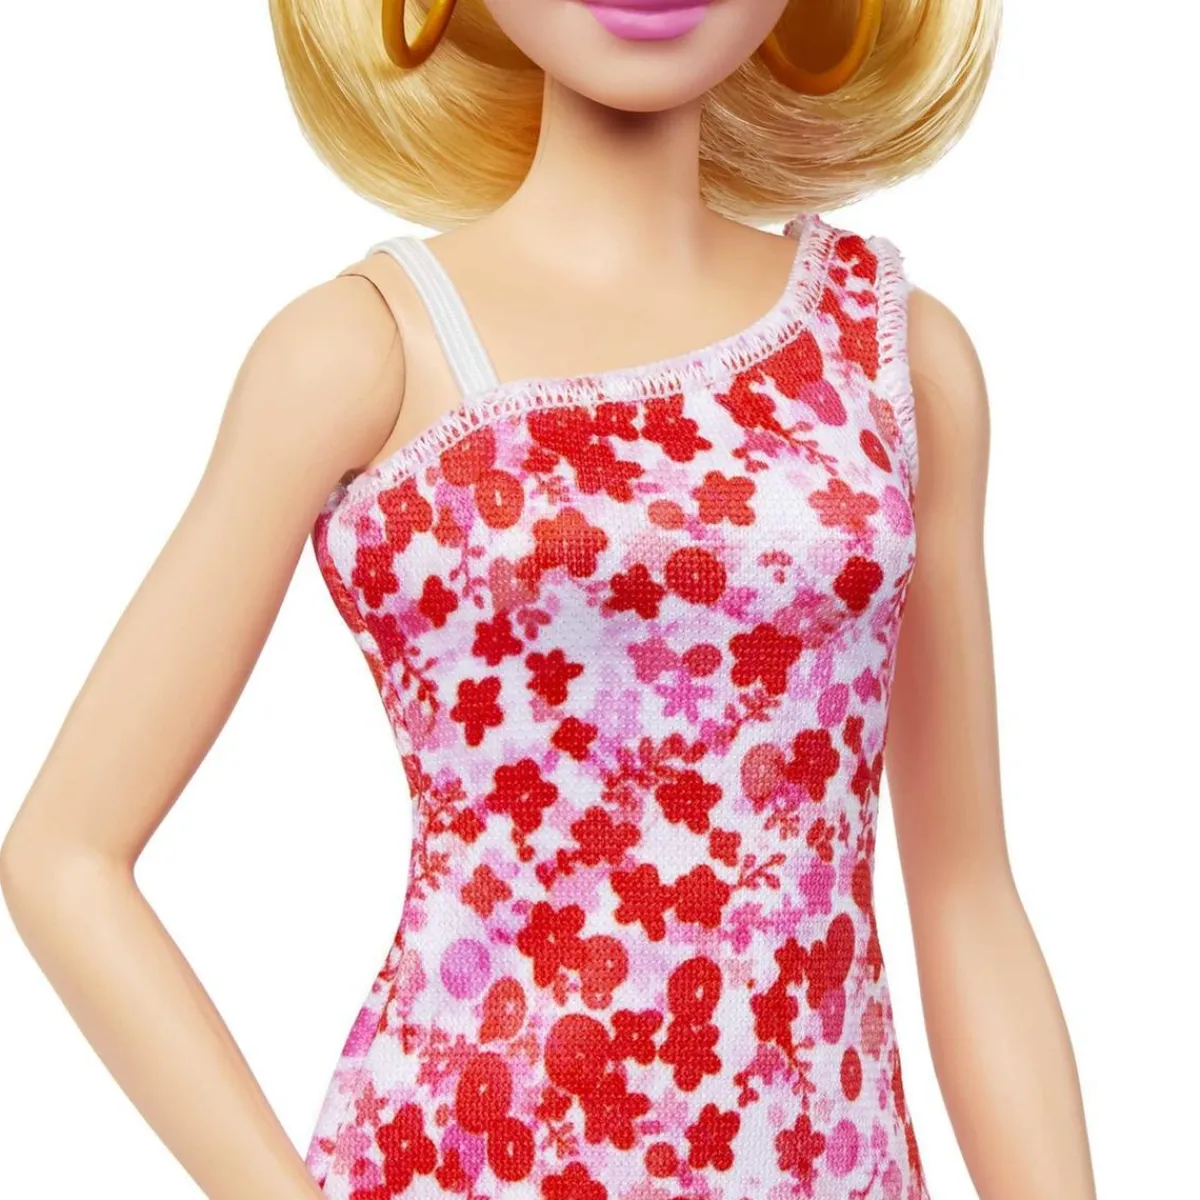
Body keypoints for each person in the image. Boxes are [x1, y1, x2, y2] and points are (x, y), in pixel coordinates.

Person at [1, 2, 1098, 1198]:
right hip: (469, 1156)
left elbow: (966, 891)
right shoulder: (371, 349)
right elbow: (64, 855)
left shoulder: (890, 356)